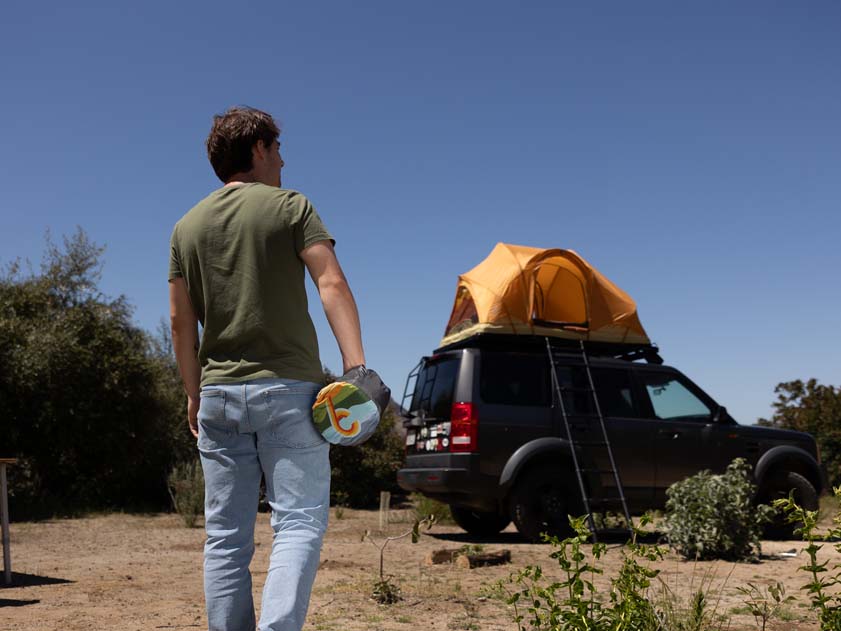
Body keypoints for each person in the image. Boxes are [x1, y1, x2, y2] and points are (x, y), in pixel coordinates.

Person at [168, 106, 365, 631]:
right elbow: (332, 283)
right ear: (257, 148)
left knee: (225, 537)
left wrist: (193, 392)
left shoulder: (185, 228)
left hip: (218, 395)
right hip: (289, 393)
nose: (283, 160)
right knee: (298, 523)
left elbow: (180, 325)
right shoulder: (291, 207)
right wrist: (356, 368)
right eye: (277, 149)